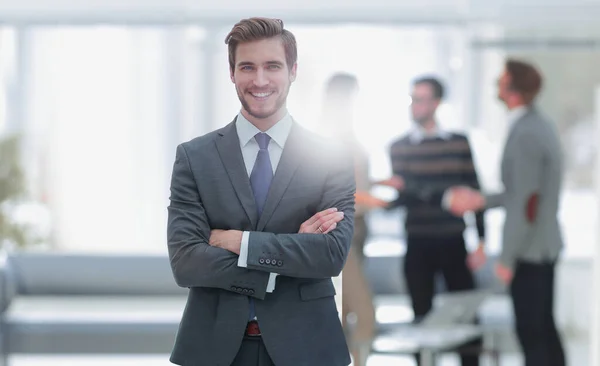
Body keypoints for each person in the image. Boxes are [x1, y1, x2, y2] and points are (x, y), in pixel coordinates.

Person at [166, 17, 355, 366]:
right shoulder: (195, 157)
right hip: (214, 349)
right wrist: (291, 251)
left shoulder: (332, 157)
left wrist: (240, 242)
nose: (260, 80)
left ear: (293, 71)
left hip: (308, 347)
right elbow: (186, 262)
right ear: (232, 73)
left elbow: (330, 255)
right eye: (247, 67)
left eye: (273, 66)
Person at [446, 59, 566, 366]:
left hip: (529, 249)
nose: (495, 85)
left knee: (532, 333)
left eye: (501, 79)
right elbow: (520, 193)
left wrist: (507, 258)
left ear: (513, 89)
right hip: (541, 245)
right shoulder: (536, 124)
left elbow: (526, 204)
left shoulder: (526, 133)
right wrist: (481, 201)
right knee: (544, 329)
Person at [387, 76, 486, 366]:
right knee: (422, 316)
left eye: (421, 99)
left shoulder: (458, 144)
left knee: (467, 315)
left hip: (454, 241)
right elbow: (407, 196)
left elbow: (474, 193)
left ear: (436, 103)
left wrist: (481, 241)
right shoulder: (399, 147)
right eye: (412, 99)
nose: (415, 106)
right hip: (417, 242)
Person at [321, 72, 403, 366]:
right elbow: (335, 195)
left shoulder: (348, 134)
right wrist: (376, 200)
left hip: (358, 234)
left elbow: (355, 181)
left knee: (343, 314)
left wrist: (380, 183)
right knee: (365, 314)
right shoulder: (328, 137)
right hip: (340, 237)